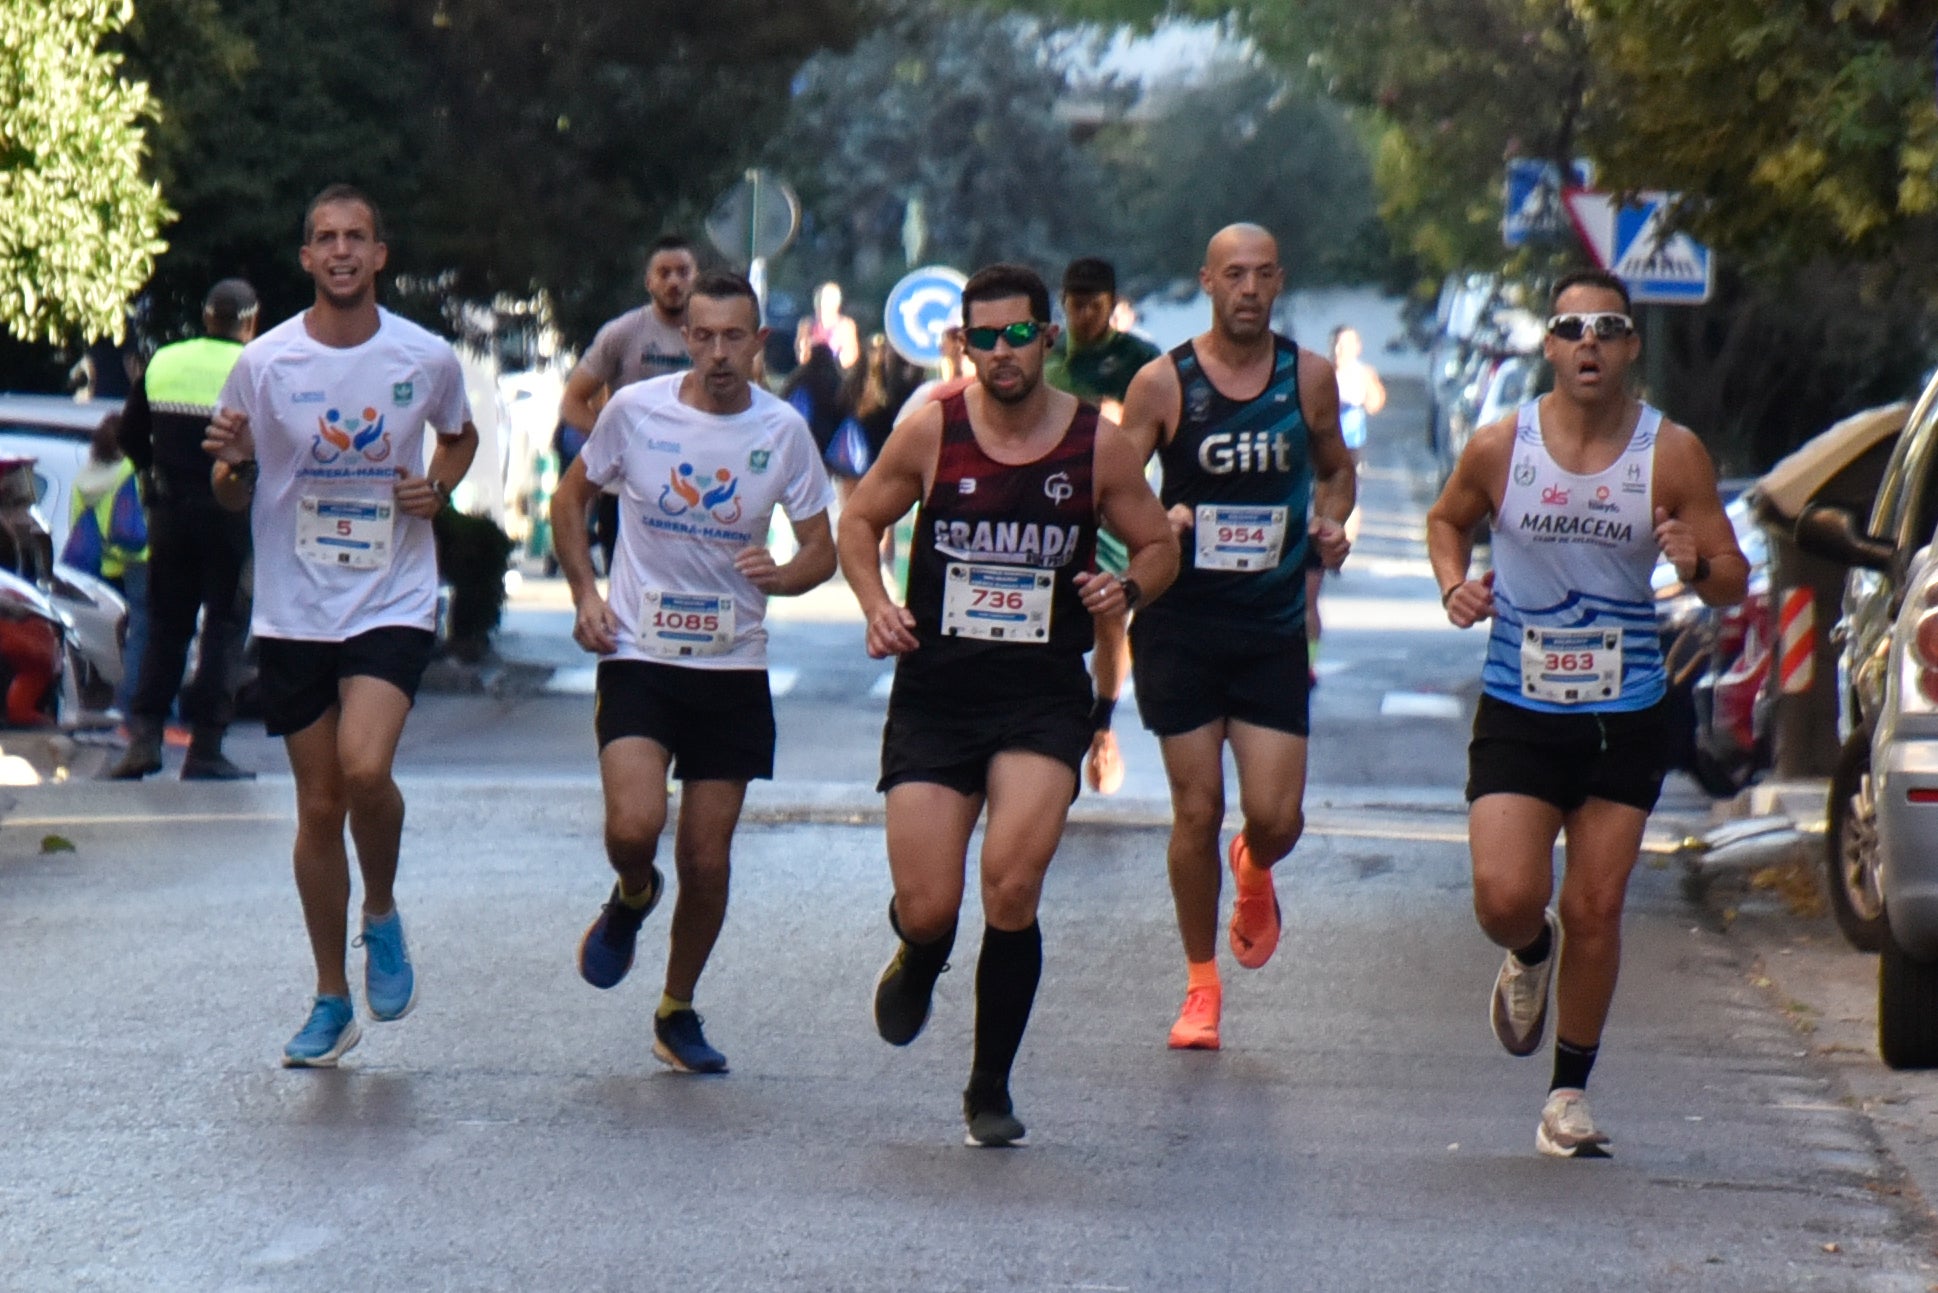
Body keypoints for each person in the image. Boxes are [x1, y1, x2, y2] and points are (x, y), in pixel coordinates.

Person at [839, 263, 1178, 1146]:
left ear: (1048, 339)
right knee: (929, 905)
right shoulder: (931, 430)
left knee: (1013, 886)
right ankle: (918, 950)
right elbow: (858, 521)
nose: (1000, 351)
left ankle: (989, 1087)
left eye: (1016, 334)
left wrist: (1128, 590)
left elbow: (1155, 546)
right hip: (937, 696)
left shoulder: (1094, 445)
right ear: (964, 344)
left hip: (1039, 699)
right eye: (982, 337)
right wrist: (877, 603)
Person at [1425, 268, 1746, 1157]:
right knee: (1506, 896)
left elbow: (1731, 579)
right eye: (1572, 328)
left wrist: (1691, 562)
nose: (1590, 343)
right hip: (1520, 708)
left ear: (1631, 344)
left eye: (1608, 327)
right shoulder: (1501, 445)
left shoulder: (1670, 452)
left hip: (1625, 710)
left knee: (1598, 904)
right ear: (1551, 345)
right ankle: (1529, 951)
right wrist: (1455, 583)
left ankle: (1568, 1093)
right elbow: (1446, 520)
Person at [204, 184, 479, 1067]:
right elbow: (233, 482)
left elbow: (459, 436)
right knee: (319, 805)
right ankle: (331, 998)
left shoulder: (425, 356)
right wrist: (226, 470)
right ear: (306, 259)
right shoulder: (265, 363)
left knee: (366, 767)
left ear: (380, 255)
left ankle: (382, 910)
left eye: (356, 236)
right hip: (295, 605)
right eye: (325, 238)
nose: (341, 251)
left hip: (391, 594)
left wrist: (437, 487)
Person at [549, 271, 836, 1074]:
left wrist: (786, 572)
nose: (715, 353)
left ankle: (675, 1008)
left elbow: (822, 548)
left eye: (731, 338)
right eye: (701, 337)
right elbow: (569, 503)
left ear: (758, 343)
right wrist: (584, 593)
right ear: (686, 340)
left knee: (708, 857)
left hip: (732, 668)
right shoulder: (635, 413)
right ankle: (632, 893)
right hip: (640, 655)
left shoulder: (782, 432)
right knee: (634, 827)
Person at [1116, 223, 1355, 1052]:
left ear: (1279, 282)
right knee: (1195, 807)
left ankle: (1254, 866)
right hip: (1181, 624)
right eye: (1233, 276)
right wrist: (1161, 520)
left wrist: (1331, 523)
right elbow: (1113, 488)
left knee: (1275, 815)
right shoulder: (1162, 383)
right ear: (1207, 282)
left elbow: (1337, 467)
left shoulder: (1309, 377)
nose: (1248, 290)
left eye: (1262, 276)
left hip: (1272, 625)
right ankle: (1200, 987)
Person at [109, 278, 260, 780]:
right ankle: (206, 749)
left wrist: (154, 474)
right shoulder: (258, 368)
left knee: (166, 626)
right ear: (250, 320)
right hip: (230, 513)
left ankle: (145, 740)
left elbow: (129, 432)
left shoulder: (165, 360)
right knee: (224, 626)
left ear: (205, 317)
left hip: (170, 514)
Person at [1043, 257, 1161, 796]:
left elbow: (1164, 432)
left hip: (1113, 510)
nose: (1084, 316)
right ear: (1062, 303)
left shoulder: (1141, 361)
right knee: (1042, 620)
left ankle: (1103, 727)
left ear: (1112, 307)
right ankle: (1044, 730)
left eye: (1095, 306)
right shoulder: (1043, 356)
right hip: (1046, 510)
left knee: (1110, 618)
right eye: (1075, 305)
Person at [559, 235, 699, 573]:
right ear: (649, 281)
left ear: (697, 277)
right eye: (664, 273)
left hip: (694, 488)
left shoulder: (713, 335)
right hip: (624, 491)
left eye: (683, 272)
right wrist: (614, 437)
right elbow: (572, 402)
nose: (674, 282)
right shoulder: (622, 333)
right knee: (628, 596)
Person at [1304, 324, 1388, 668]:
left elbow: (1377, 402)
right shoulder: (1321, 374)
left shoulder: (1363, 373)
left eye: (1347, 344)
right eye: (1337, 344)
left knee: (1348, 493)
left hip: (1351, 446)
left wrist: (1363, 397)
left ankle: (1340, 538)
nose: (1341, 350)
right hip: (1323, 451)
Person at [66, 412, 149, 717]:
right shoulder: (131, 468)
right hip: (138, 561)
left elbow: (77, 521)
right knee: (143, 634)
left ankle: (102, 697)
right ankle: (133, 703)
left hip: (100, 565)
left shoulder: (84, 476)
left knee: (104, 636)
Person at [795, 281, 861, 371]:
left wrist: (837, 362)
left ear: (836, 303)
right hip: (812, 371)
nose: (821, 303)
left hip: (837, 372)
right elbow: (801, 355)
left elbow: (851, 354)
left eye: (826, 300)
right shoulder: (806, 324)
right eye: (819, 299)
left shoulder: (846, 325)